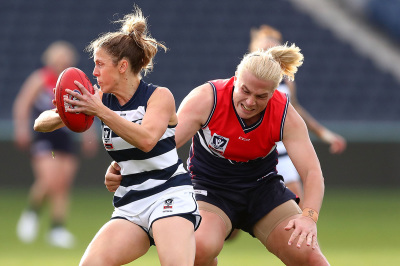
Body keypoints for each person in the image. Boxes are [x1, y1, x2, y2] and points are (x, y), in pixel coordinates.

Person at [106, 42, 330, 264]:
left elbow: (312, 173)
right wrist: (124, 169)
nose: (250, 102)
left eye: (261, 96)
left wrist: (309, 217)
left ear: (274, 92)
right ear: (235, 79)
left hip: (263, 189)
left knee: (308, 253)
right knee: (198, 247)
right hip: (210, 188)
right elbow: (161, 145)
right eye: (245, 90)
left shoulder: (284, 114)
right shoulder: (207, 98)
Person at [34, 6, 201, 266]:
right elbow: (39, 124)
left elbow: (147, 140)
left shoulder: (159, 96)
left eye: (100, 64)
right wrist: (65, 113)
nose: (95, 72)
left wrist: (98, 110)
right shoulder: (99, 99)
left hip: (169, 195)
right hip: (131, 203)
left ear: (123, 66)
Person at [13, 41, 98, 248]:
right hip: (45, 136)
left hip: (66, 136)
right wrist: (21, 129)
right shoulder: (41, 78)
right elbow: (22, 103)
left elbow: (88, 108)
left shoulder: (74, 83)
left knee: (63, 182)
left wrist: (91, 135)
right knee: (49, 179)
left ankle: (57, 228)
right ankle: (32, 214)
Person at [249, 24, 346, 202]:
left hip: (281, 154)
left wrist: (325, 135)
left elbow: (295, 110)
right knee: (237, 217)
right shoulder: (246, 83)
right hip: (252, 154)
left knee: (299, 208)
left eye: (273, 51)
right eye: (264, 50)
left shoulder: (286, 82)